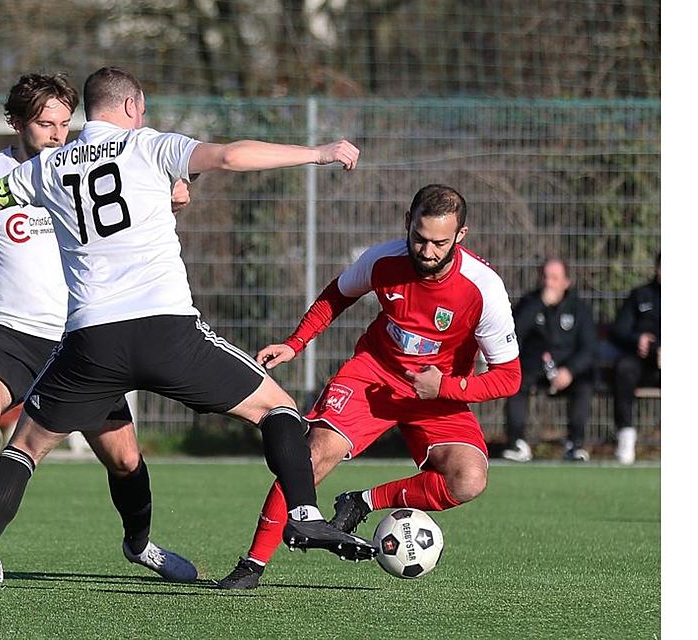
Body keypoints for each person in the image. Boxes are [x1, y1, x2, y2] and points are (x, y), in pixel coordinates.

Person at [0, 66, 372, 598]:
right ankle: (305, 513)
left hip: (90, 342)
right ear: (133, 106)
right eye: (142, 110)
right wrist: (318, 151)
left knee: (23, 449)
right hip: (166, 332)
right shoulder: (148, 146)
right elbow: (231, 156)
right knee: (278, 410)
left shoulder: (49, 165)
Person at [0, 72, 196, 587]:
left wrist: (175, 190)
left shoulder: (83, 162)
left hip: (78, 338)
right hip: (9, 331)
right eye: (44, 123)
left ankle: (139, 544)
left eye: (63, 123)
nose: (57, 134)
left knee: (124, 458)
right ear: (16, 122)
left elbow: (149, 189)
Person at [216, 184, 522, 590]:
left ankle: (362, 501)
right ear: (407, 224)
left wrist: (445, 386)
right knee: (312, 455)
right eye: (419, 238)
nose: (427, 252)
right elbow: (336, 296)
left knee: (468, 480)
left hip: (436, 394)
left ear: (460, 236)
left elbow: (509, 376)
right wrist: (295, 343)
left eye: (439, 243)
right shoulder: (383, 259)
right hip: (373, 375)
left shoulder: (483, 289)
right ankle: (252, 566)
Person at [501, 258, 598, 462]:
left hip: (568, 370)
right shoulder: (530, 303)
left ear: (566, 282)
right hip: (534, 368)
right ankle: (517, 443)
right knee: (515, 382)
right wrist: (539, 305)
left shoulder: (580, 309)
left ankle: (575, 444)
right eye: (545, 277)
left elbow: (589, 348)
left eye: (555, 278)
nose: (549, 283)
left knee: (585, 384)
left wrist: (570, 371)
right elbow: (514, 333)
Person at [609, 253, 660, 465]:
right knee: (623, 368)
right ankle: (626, 436)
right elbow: (619, 330)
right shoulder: (640, 295)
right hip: (641, 363)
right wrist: (637, 339)